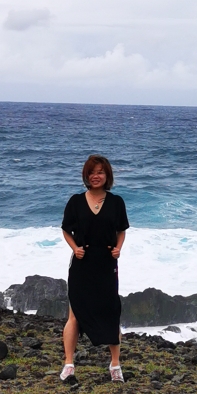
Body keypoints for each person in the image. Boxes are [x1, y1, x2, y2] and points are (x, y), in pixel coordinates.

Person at [60, 154, 129, 381]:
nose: (95, 176)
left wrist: (118, 248)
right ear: (86, 176)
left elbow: (121, 230)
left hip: (107, 264)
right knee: (75, 315)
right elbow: (66, 230)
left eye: (100, 172)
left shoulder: (116, 202)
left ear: (107, 175)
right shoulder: (76, 201)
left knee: (111, 313)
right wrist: (74, 248)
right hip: (82, 262)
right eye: (91, 172)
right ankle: (69, 364)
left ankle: (115, 365)